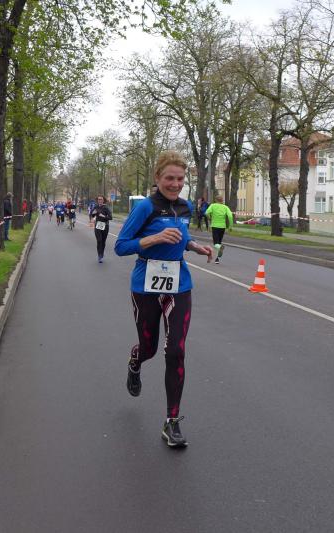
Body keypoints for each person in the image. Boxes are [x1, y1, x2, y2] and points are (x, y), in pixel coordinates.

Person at [115, 150, 213, 448]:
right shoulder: (146, 207)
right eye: (170, 178)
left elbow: (181, 236)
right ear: (157, 178)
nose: (175, 184)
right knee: (149, 349)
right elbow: (121, 246)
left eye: (180, 179)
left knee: (176, 352)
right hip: (145, 285)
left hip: (178, 284)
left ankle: (172, 421)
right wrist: (155, 238)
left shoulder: (185, 207)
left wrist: (195, 247)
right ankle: (135, 362)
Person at [205, 195, 234, 264]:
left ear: (216, 200)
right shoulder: (225, 207)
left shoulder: (213, 205)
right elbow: (230, 216)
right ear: (222, 200)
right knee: (219, 242)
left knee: (216, 243)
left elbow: (206, 213)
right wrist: (230, 226)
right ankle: (217, 259)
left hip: (215, 226)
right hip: (222, 227)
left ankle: (220, 248)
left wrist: (209, 218)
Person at [90, 195, 112, 263]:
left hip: (105, 225)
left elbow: (110, 217)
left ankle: (102, 253)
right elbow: (92, 214)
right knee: (99, 240)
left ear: (103, 200)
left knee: (103, 241)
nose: (99, 200)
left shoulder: (106, 208)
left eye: (101, 199)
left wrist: (103, 216)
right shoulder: (95, 207)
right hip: (98, 225)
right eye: (98, 199)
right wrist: (92, 214)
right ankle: (99, 255)